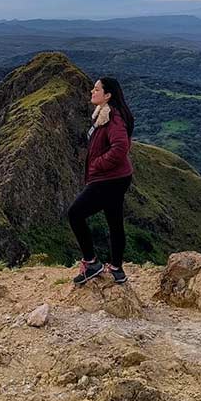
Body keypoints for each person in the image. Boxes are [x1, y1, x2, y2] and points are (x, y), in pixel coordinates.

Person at [67, 76, 134, 285]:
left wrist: (98, 164)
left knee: (75, 214)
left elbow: (121, 148)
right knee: (114, 221)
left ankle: (91, 262)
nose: (91, 92)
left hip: (109, 179)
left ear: (108, 95)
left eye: (96, 89)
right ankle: (116, 270)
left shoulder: (113, 117)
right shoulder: (104, 114)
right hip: (117, 177)